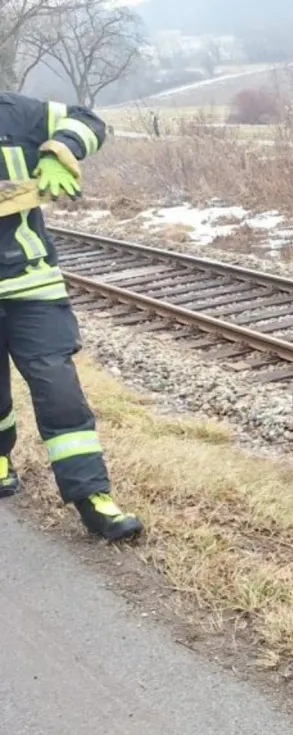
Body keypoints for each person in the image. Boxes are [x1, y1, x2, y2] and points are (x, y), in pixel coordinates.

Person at [0, 92, 143, 542]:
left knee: (60, 391)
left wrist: (62, 149)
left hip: (31, 285)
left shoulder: (17, 113)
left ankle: (94, 498)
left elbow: (88, 119)